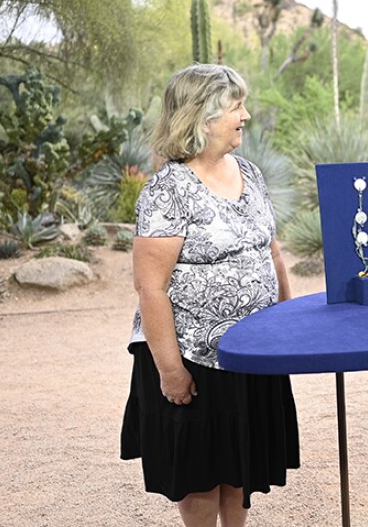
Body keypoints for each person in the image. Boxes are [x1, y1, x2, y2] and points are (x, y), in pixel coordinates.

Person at [120, 64, 300, 526]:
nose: (246, 115)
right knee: (201, 473)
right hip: (193, 357)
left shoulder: (251, 174)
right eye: (235, 106)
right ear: (202, 116)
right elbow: (151, 287)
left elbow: (271, 253)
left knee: (239, 463)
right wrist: (170, 370)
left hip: (250, 353)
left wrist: (283, 327)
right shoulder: (167, 189)